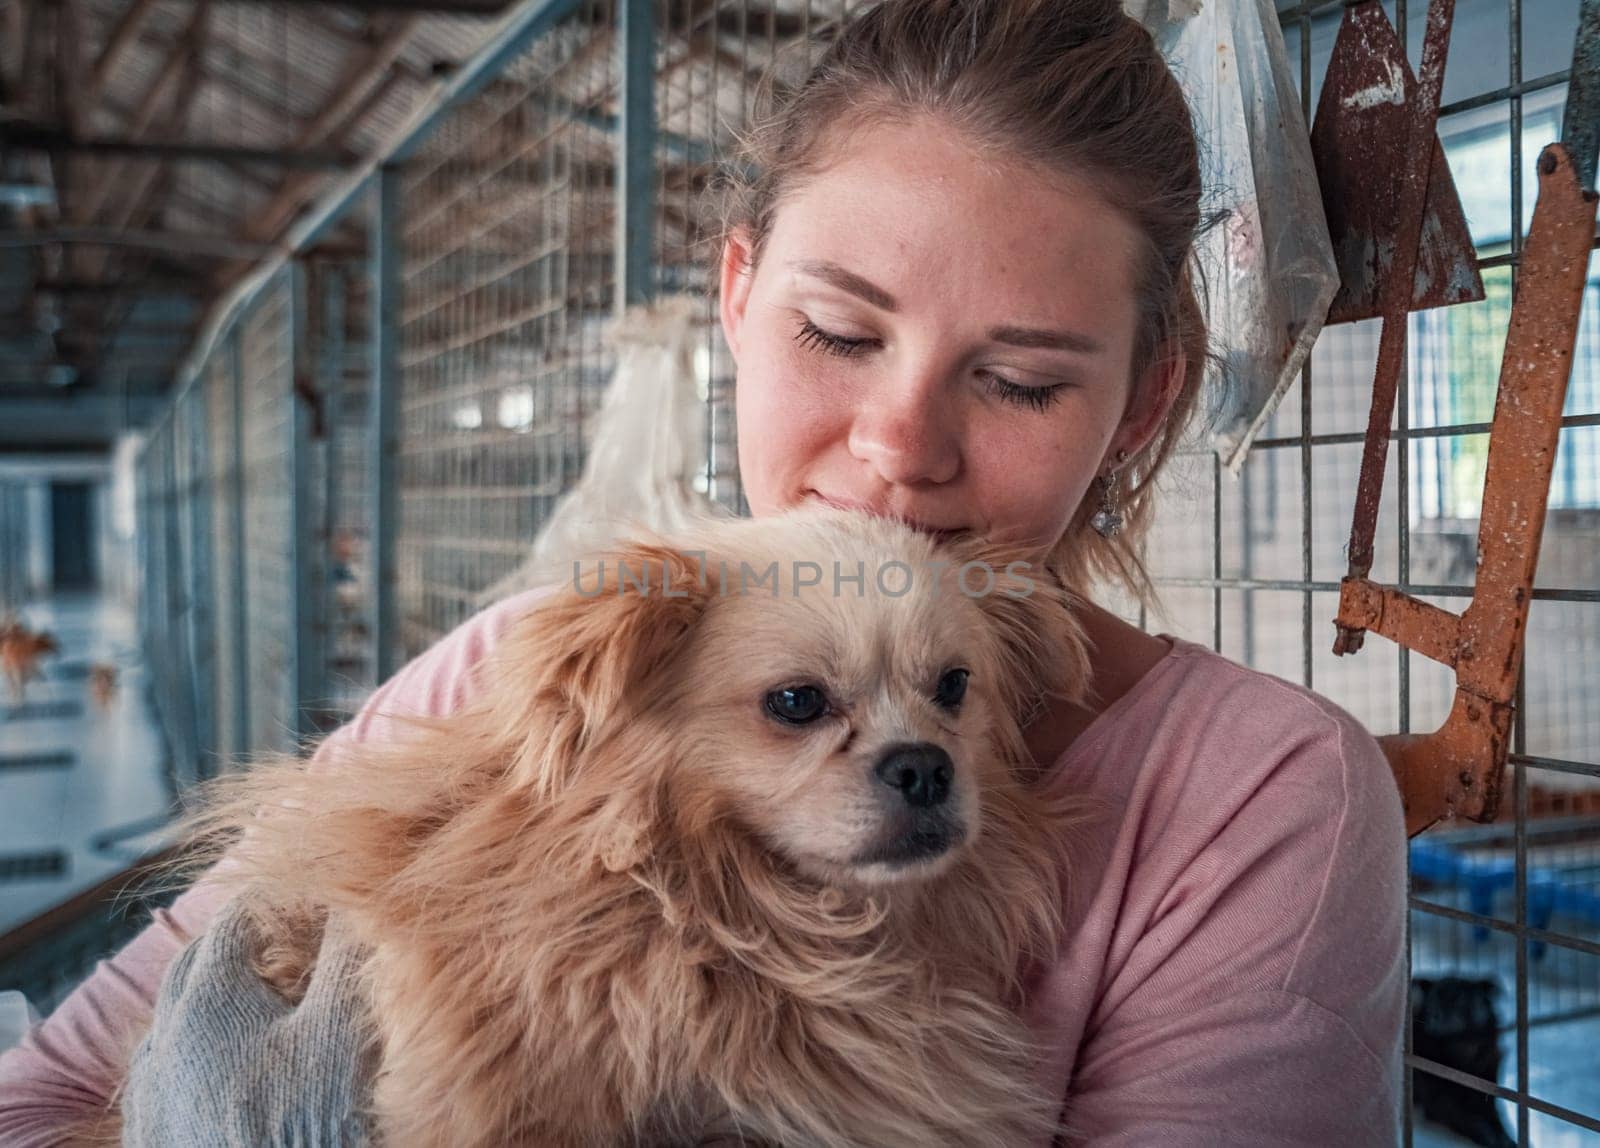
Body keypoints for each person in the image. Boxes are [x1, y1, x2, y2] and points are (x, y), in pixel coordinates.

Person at [0, 0, 1407, 1143]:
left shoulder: (1263, 802)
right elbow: (46, 1096)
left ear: (1145, 403)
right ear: (735, 298)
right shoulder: (531, 663)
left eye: (1022, 379)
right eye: (841, 338)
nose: (900, 449)